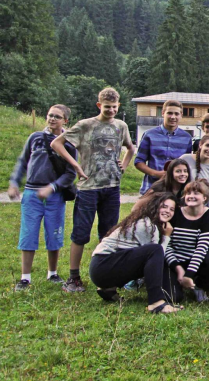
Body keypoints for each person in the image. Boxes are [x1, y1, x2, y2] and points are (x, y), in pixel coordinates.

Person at [50, 87, 135, 293]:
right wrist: (76, 166)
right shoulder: (86, 125)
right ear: (99, 105)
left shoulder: (121, 126)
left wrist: (124, 163)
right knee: (81, 233)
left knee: (108, 234)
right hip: (88, 188)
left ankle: (107, 276)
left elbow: (131, 148)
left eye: (115, 107)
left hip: (112, 188)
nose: (111, 111)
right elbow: (57, 143)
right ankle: (74, 278)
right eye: (107, 107)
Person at [9, 104, 77, 291]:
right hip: (31, 193)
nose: (52, 119)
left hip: (54, 196)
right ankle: (25, 278)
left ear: (65, 120)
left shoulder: (69, 143)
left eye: (57, 116)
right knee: (28, 233)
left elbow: (71, 173)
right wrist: (14, 182)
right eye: (50, 115)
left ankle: (52, 273)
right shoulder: (35, 138)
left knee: (54, 234)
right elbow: (22, 161)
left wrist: (53, 187)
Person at [89, 192, 182, 314]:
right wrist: (166, 237)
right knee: (155, 250)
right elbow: (157, 257)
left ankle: (108, 289)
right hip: (102, 266)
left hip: (101, 268)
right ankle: (156, 304)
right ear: (154, 206)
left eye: (172, 209)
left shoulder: (150, 223)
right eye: (164, 206)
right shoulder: (147, 225)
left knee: (153, 251)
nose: (168, 211)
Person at [164, 180, 209, 303]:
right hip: (174, 261)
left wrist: (189, 274)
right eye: (188, 193)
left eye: (196, 193)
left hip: (195, 261)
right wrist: (178, 268)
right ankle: (178, 283)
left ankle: (199, 285)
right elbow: (166, 244)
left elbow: (202, 247)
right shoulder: (175, 212)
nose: (191, 196)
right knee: (174, 298)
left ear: (204, 198)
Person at [134, 99, 193, 194]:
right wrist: (156, 173)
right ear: (163, 113)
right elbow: (139, 162)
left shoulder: (186, 138)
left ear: (181, 115)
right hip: (151, 188)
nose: (173, 117)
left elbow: (186, 164)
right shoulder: (149, 135)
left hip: (175, 190)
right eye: (169, 113)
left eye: (176, 114)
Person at [179, 135, 209, 209]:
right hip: (183, 206)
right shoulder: (185, 159)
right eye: (208, 145)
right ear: (200, 144)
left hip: (202, 209)